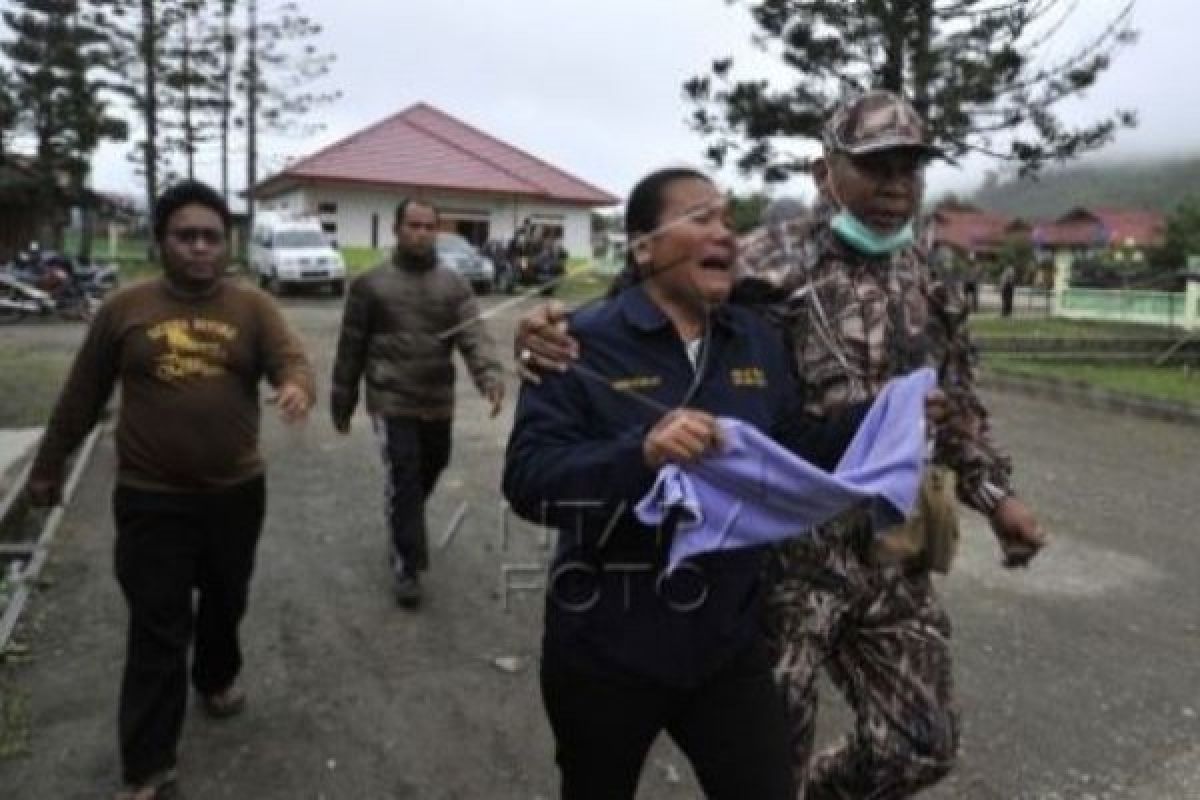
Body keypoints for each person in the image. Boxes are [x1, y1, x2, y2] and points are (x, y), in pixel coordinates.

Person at [514, 91, 1045, 798]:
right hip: (783, 559)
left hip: (895, 539)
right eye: (876, 168)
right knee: (762, 761)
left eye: (909, 171)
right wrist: (548, 330)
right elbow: (647, 295)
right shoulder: (764, 258)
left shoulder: (931, 279)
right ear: (827, 172)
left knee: (922, 744)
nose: (895, 188)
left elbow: (955, 404)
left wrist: (995, 496)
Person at [505, 166, 877, 800]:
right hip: (605, 646)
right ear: (643, 246)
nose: (726, 234)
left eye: (729, 221)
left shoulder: (755, 340)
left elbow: (785, 454)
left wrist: (882, 418)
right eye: (701, 218)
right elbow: (529, 478)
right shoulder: (577, 344)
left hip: (725, 646)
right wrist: (641, 455)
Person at [24, 180, 315, 800]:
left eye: (212, 236)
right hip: (150, 496)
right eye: (187, 236)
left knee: (226, 598)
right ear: (161, 241)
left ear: (227, 243)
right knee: (158, 627)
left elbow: (291, 358)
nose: (201, 248)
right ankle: (149, 768)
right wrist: (48, 466)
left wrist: (296, 385)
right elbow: (82, 395)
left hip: (235, 493)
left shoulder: (252, 307)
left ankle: (215, 676)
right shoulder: (124, 309)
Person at [331, 198, 505, 608]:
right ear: (396, 229)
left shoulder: (453, 284)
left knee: (434, 464)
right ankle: (407, 566)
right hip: (390, 399)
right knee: (405, 476)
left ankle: (401, 518)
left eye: (429, 226)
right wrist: (343, 401)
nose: (421, 233)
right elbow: (350, 347)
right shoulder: (369, 284)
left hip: (436, 399)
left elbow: (474, 336)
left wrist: (490, 376)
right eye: (413, 225)